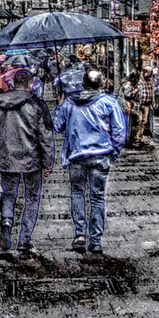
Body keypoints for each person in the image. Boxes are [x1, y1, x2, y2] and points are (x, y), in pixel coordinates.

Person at [0, 69, 54, 254]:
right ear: (30, 85)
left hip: (6, 156)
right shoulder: (37, 104)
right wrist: (48, 161)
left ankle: (6, 220)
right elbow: (45, 135)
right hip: (32, 158)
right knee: (32, 197)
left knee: (8, 193)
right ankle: (25, 239)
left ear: (13, 84)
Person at [53, 68, 126, 254]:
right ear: (101, 84)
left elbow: (58, 126)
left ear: (83, 83)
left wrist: (59, 105)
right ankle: (95, 240)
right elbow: (119, 132)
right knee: (98, 197)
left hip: (77, 156)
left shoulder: (70, 102)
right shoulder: (109, 103)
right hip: (101, 156)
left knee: (77, 193)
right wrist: (113, 153)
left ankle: (79, 234)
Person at [130, 65, 155, 148]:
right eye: (149, 72)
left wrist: (152, 102)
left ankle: (140, 137)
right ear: (144, 72)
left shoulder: (151, 81)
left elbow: (152, 92)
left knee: (143, 122)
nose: (150, 74)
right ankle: (136, 138)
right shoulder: (139, 81)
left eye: (151, 73)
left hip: (147, 104)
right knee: (138, 121)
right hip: (139, 104)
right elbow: (133, 91)